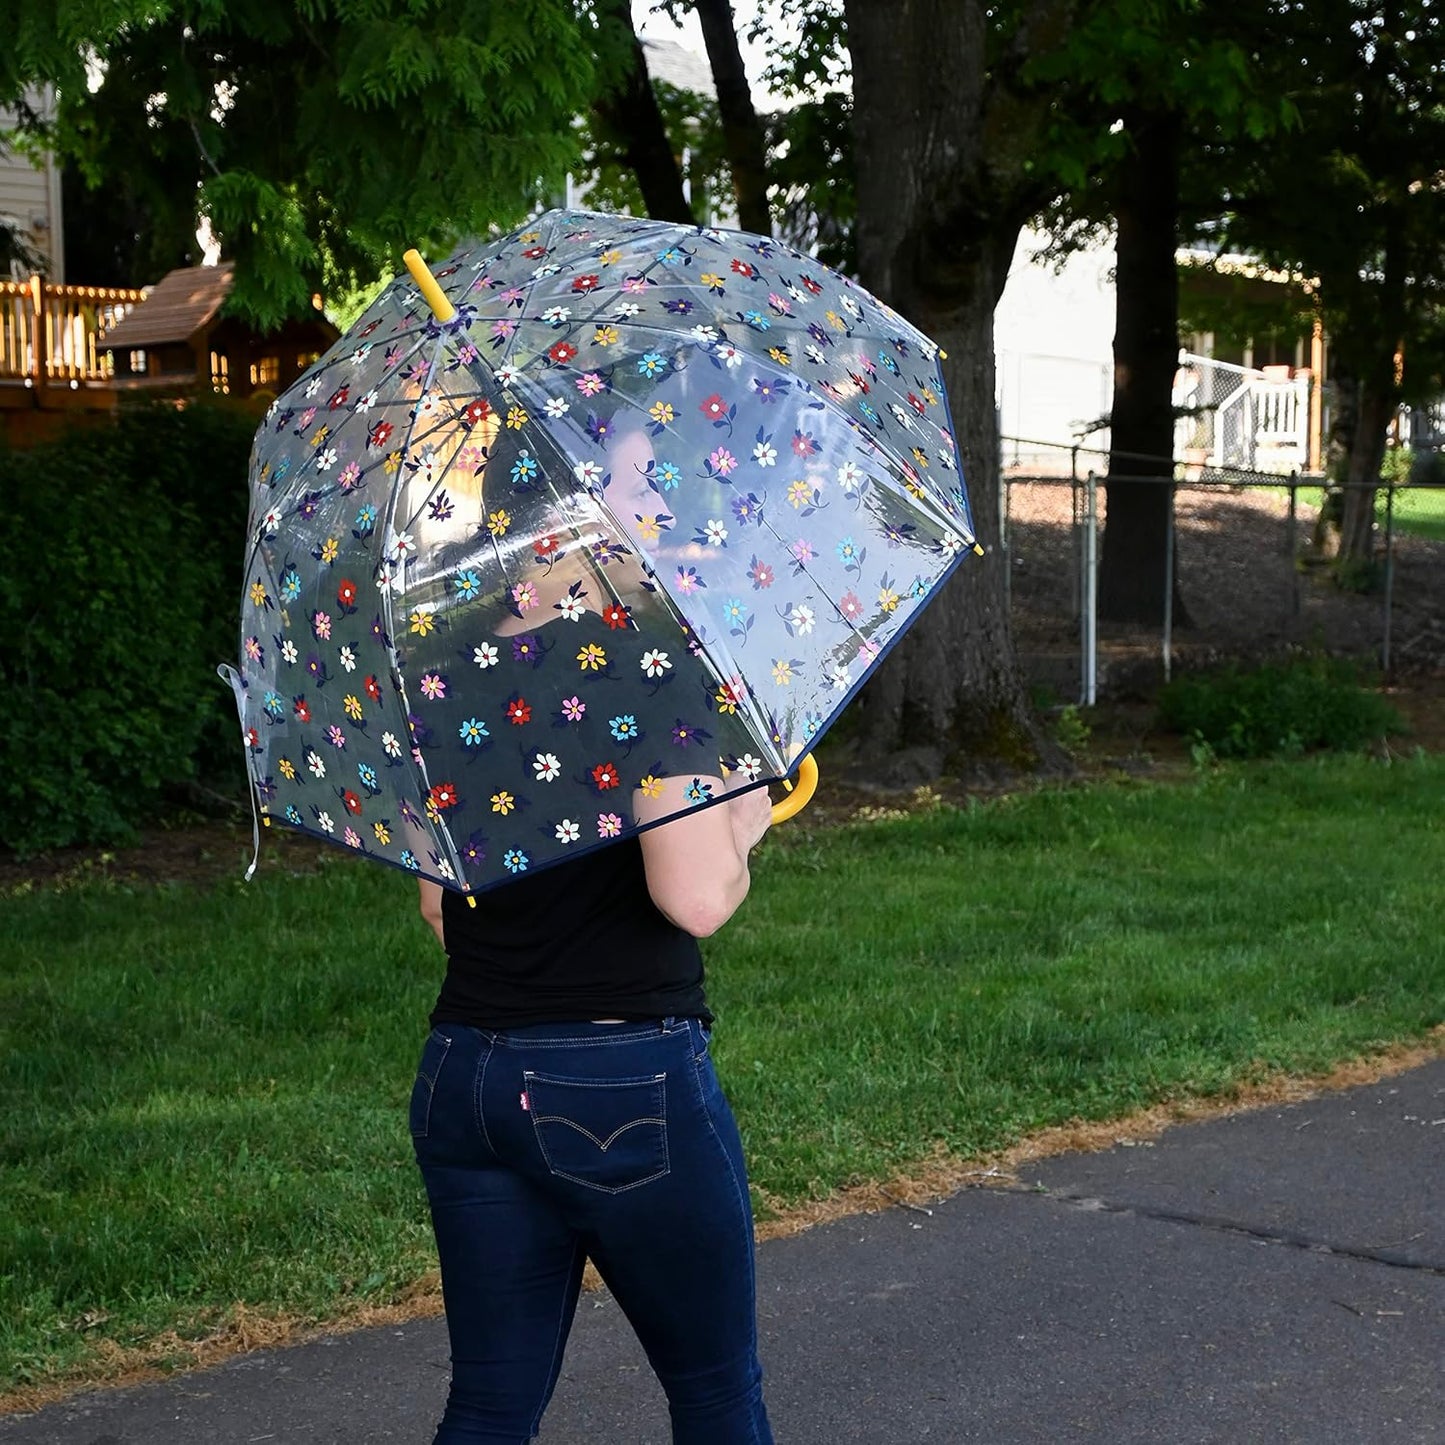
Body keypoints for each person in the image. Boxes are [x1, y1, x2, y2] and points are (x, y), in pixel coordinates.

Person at [413, 770, 776, 1445]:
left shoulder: (439, 707)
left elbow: (440, 912)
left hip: (466, 1073)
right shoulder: (650, 693)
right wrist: (739, 829)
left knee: (489, 1404)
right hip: (621, 1079)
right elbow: (696, 900)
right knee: (716, 1393)